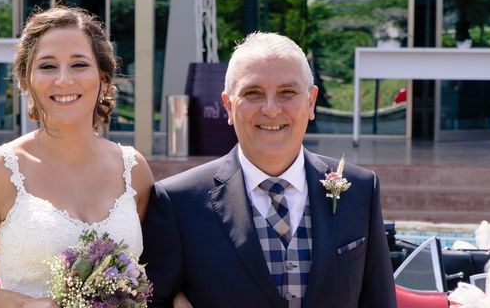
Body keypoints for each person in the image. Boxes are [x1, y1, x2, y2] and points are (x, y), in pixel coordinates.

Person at [142, 32, 396, 308]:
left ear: (311, 102)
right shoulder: (178, 202)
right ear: (228, 105)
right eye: (253, 93)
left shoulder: (360, 190)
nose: (272, 109)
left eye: (287, 93)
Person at [0, 5, 154, 307]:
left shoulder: (134, 170)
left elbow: (158, 273)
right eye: (48, 66)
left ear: (103, 79)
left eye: (79, 65)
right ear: (27, 81)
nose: (63, 80)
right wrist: (24, 305)